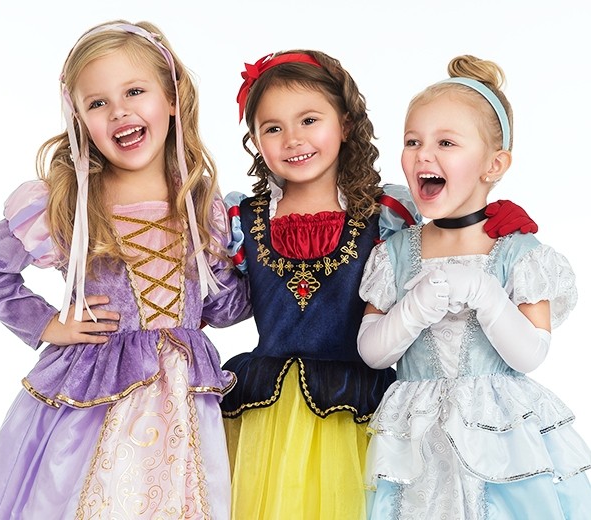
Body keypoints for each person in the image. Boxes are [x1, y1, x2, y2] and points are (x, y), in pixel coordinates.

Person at [222, 50, 538, 520]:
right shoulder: (241, 218)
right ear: (254, 140)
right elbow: (224, 303)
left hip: (360, 406)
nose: (293, 138)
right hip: (265, 411)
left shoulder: (388, 214)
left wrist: (494, 224)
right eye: (272, 128)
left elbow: (446, 230)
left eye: (309, 119)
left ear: (346, 124)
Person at [0, 20, 251, 519]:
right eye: (97, 103)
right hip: (93, 393)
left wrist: (264, 258)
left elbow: (223, 308)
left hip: (183, 399)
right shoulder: (68, 202)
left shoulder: (199, 205)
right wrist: (47, 323)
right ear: (79, 118)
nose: (119, 111)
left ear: (172, 97)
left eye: (135, 91)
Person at [358, 54, 591, 519]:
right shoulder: (394, 253)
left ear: (494, 164)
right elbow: (372, 352)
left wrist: (486, 294)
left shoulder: (519, 252)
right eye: (412, 141)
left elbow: (530, 355)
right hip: (413, 436)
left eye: (446, 142)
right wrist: (416, 306)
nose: (424, 154)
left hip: (501, 438)